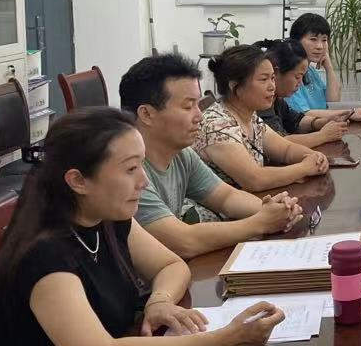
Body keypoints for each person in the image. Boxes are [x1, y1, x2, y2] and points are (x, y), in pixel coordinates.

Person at [0, 108, 284, 346]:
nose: (143, 180)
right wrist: (226, 339)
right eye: (130, 169)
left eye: (141, 165)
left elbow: (171, 265)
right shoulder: (44, 255)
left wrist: (160, 302)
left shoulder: (106, 217)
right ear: (78, 181)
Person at [119, 53, 303, 259]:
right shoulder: (126, 173)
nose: (199, 116)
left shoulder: (182, 154)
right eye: (187, 106)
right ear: (146, 114)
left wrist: (274, 210)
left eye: (197, 105)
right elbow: (183, 242)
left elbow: (225, 197)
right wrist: (261, 222)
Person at [194, 45, 331, 191]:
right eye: (264, 79)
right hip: (227, 206)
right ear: (235, 86)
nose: (272, 86)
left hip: (253, 202)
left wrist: (314, 157)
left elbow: (286, 150)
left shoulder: (250, 117)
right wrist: (305, 168)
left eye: (272, 78)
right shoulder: (217, 125)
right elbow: (255, 180)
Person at [254, 38, 361, 144]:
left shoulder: (277, 100)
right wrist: (323, 136)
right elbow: (279, 143)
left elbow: (296, 121)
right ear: (276, 72)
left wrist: (323, 122)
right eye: (297, 77)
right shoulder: (261, 103)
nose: (300, 83)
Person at [286, 12, 342, 111]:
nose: (320, 46)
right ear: (296, 41)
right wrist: (348, 113)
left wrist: (329, 67)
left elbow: (333, 102)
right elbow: (303, 114)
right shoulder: (289, 72)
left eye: (324, 40)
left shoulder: (311, 71)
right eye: (313, 39)